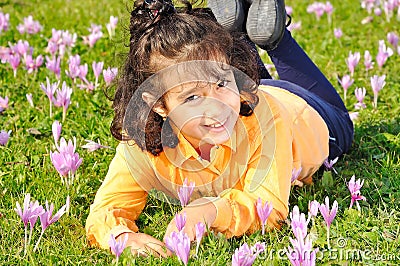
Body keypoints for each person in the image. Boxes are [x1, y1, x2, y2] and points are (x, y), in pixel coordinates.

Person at [85, 0, 353, 257]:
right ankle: (238, 33)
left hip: (304, 114)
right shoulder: (143, 139)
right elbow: (109, 205)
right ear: (158, 105)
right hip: (249, 96)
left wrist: (211, 211)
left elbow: (268, 207)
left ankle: (276, 39)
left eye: (221, 83)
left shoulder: (267, 121)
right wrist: (119, 236)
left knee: (344, 120)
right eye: (191, 98)